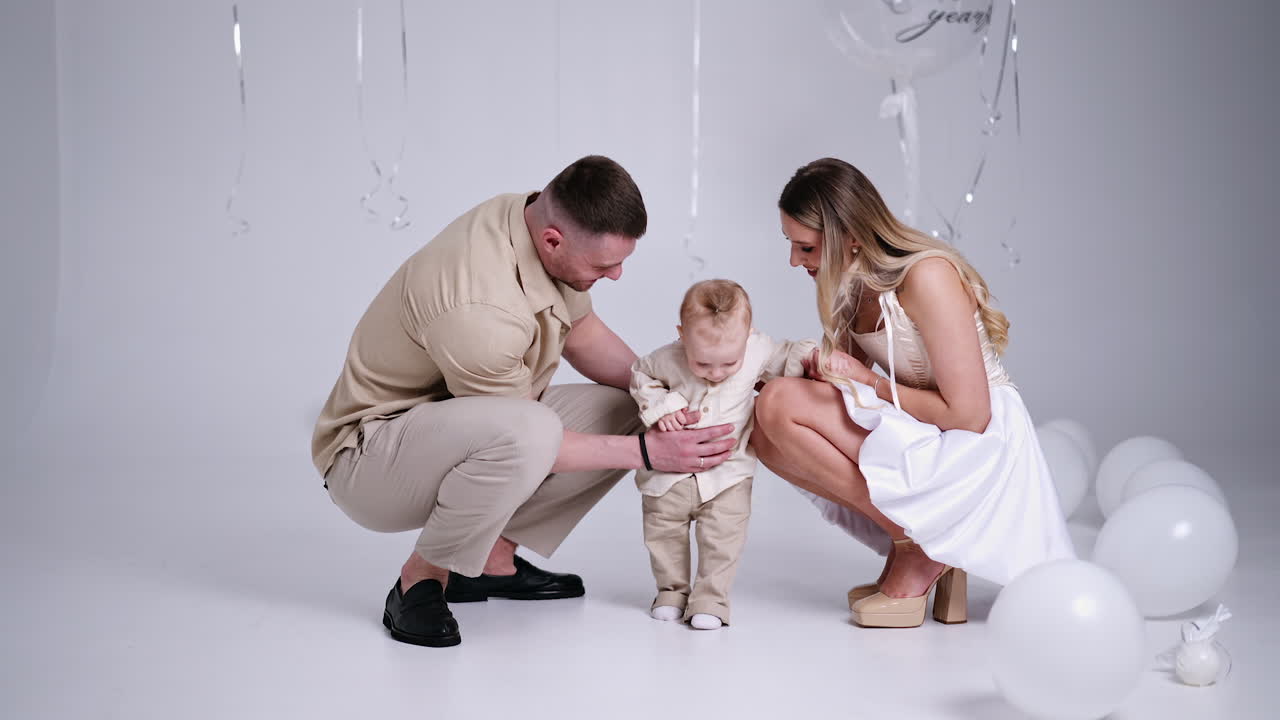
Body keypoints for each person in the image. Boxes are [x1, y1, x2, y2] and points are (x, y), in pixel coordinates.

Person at [312, 155, 736, 647]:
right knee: (532, 432)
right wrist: (649, 453)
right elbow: (532, 441)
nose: (617, 275)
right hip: (370, 460)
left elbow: (583, 333)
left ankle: (491, 561)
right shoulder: (479, 311)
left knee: (629, 407)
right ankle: (420, 580)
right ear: (554, 240)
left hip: (451, 426)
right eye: (605, 265)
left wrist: (667, 393)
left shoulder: (527, 218)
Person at [751, 158, 1075, 629]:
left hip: (980, 445)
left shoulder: (928, 276)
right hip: (923, 422)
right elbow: (844, 393)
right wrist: (789, 371)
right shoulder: (846, 284)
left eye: (806, 247)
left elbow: (969, 414)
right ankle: (915, 541)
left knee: (779, 404)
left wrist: (869, 384)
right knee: (764, 425)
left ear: (851, 237)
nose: (795, 261)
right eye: (793, 246)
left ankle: (924, 548)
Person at [629, 279, 817, 630]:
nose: (716, 374)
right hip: (668, 477)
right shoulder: (665, 358)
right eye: (702, 365)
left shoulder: (758, 350)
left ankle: (710, 599)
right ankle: (671, 592)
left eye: (729, 363)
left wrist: (813, 358)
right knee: (663, 534)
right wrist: (662, 407)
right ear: (682, 334)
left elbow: (789, 355)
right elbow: (641, 375)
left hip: (728, 474)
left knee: (722, 541)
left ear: (748, 337)